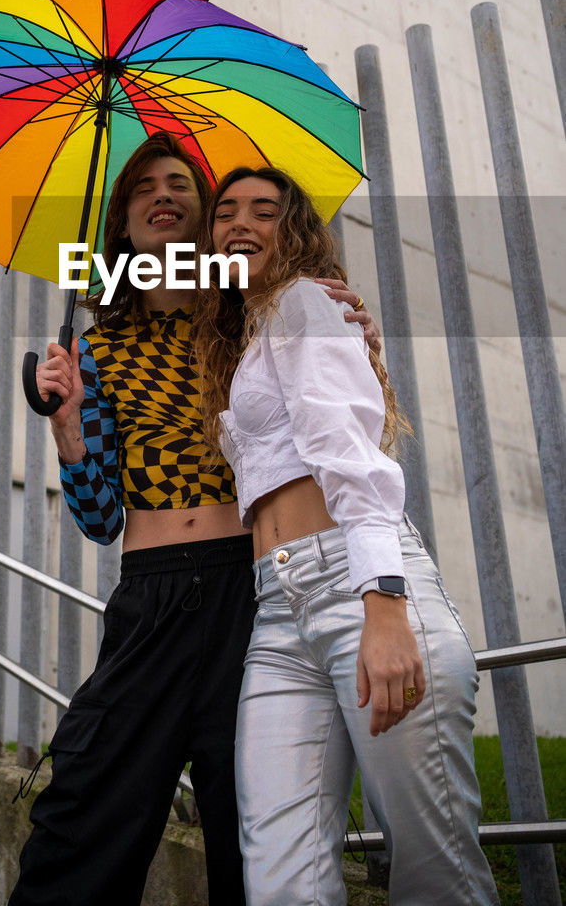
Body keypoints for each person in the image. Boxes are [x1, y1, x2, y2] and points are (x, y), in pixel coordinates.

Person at [7, 133, 379, 906]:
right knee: (83, 806)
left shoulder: (251, 321)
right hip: (148, 598)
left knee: (251, 823)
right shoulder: (95, 348)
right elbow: (100, 516)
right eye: (143, 187)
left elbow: (335, 407)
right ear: (122, 224)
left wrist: (357, 333)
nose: (162, 195)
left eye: (179, 184)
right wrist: (67, 422)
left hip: (251, 593)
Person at [193, 165, 498, 906]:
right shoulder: (249, 337)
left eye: (263, 211)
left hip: (359, 588)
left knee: (433, 872)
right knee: (277, 870)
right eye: (225, 211)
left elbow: (352, 460)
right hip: (277, 608)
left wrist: (383, 602)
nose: (239, 222)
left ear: (293, 232)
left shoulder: (303, 304)